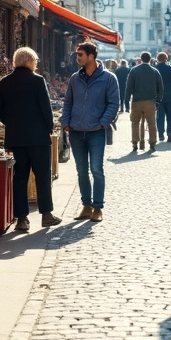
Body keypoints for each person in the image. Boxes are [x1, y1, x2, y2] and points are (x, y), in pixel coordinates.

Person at [0, 47, 61, 232]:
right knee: (42, 176)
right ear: (31, 62)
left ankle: (22, 219)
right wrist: (48, 128)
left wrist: (10, 122)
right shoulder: (38, 81)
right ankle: (46, 215)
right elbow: (46, 109)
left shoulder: (5, 82)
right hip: (38, 138)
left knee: (20, 177)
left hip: (16, 138)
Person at [60, 41, 119, 221]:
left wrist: (103, 122)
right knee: (81, 170)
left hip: (96, 132)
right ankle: (86, 206)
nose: (77, 57)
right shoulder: (74, 79)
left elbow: (114, 104)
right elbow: (68, 102)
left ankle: (98, 207)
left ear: (91, 56)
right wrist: (65, 122)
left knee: (97, 169)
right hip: (76, 131)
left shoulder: (108, 78)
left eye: (80, 55)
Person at [124, 51, 163, 152]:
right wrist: (158, 100)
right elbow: (160, 88)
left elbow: (128, 88)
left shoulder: (133, 71)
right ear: (150, 59)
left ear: (141, 59)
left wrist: (126, 102)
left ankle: (135, 143)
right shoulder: (155, 71)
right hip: (150, 101)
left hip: (136, 101)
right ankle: (152, 143)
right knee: (151, 123)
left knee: (135, 123)